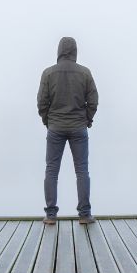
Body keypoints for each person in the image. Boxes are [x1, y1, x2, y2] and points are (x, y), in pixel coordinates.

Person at [37, 36, 99, 225]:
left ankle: (50, 215)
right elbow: (93, 100)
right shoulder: (85, 73)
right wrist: (86, 119)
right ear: (75, 51)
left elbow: (41, 102)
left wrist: (48, 121)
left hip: (55, 127)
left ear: (59, 51)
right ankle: (85, 215)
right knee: (82, 171)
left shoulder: (48, 73)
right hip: (78, 127)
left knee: (51, 171)